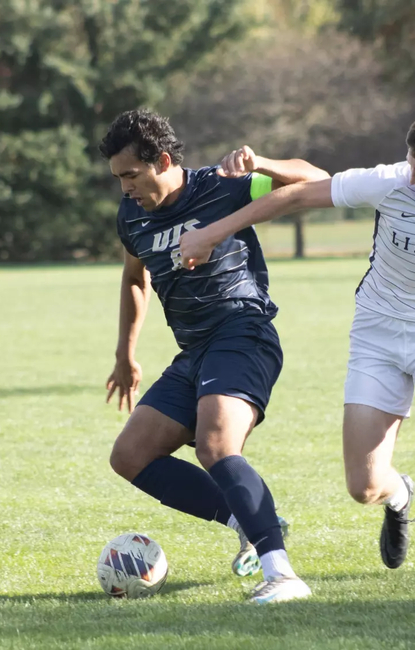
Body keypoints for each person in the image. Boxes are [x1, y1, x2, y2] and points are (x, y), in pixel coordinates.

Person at [180, 107, 415, 593]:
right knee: (363, 487)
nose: (414, 176)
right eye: (410, 163)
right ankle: (399, 493)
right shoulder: (390, 181)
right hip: (376, 335)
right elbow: (296, 196)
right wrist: (214, 232)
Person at [100, 109, 329, 604]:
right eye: (117, 178)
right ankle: (248, 522)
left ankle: (283, 575)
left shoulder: (224, 186)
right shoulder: (132, 215)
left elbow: (320, 182)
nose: (124, 188)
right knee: (130, 456)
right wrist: (125, 354)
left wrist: (261, 162)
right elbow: (135, 279)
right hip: (194, 352)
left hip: (243, 333)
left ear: (162, 160)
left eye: (131, 176)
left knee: (217, 443)